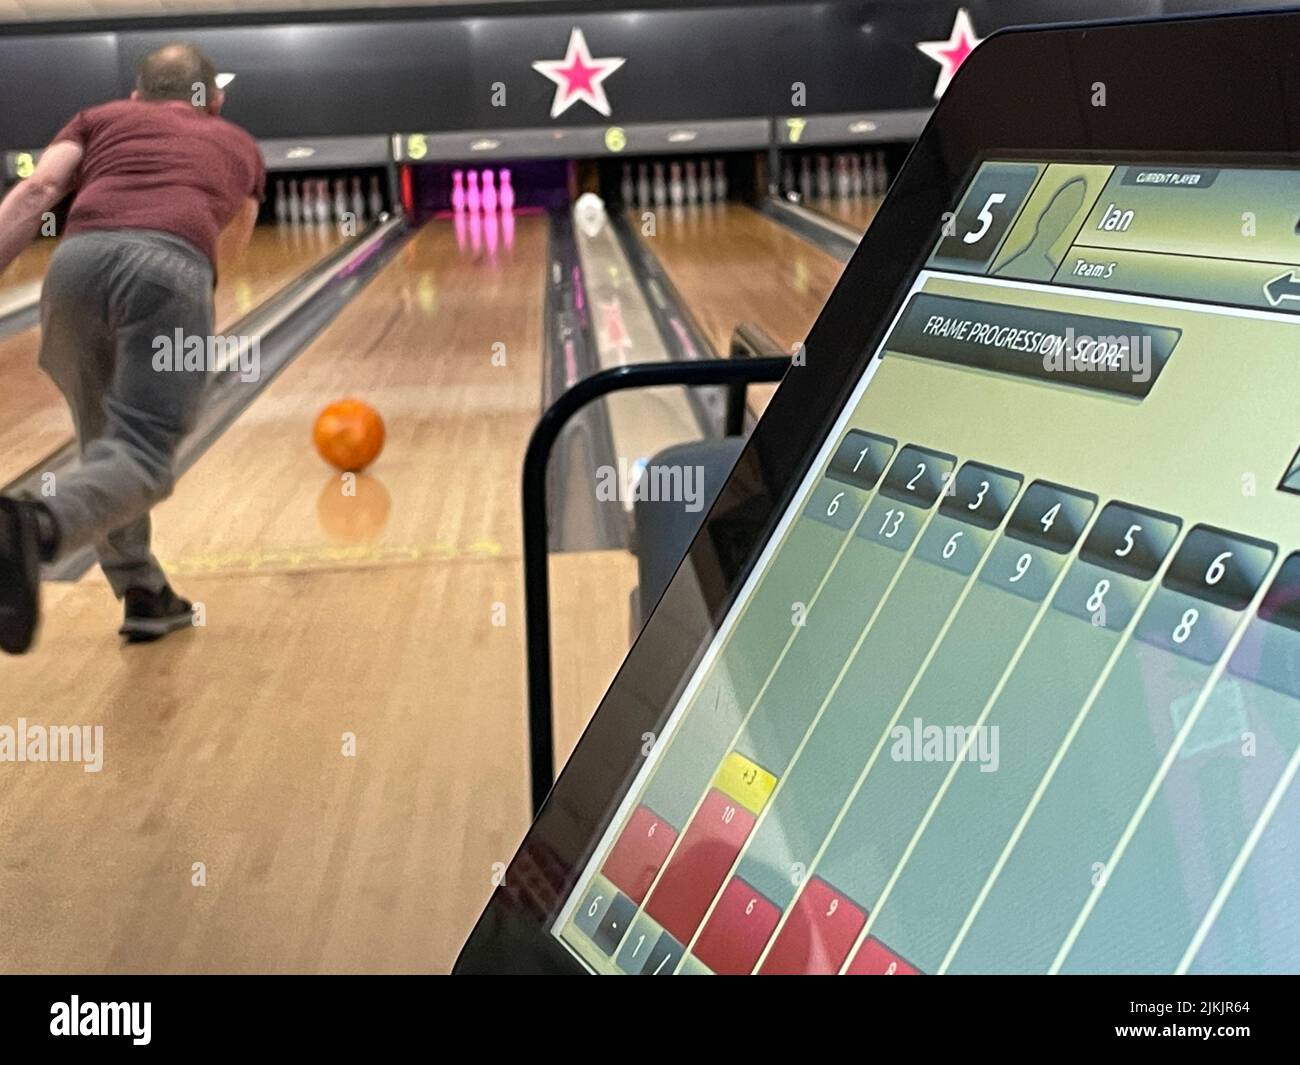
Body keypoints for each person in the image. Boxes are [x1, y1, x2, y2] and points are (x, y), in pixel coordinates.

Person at [0, 43, 264, 655]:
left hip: (73, 269)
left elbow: (39, 188)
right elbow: (228, 251)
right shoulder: (240, 146)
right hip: (170, 270)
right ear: (214, 101)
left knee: (103, 448)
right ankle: (37, 525)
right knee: (141, 454)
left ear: (136, 95)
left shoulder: (98, 118)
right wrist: (193, 338)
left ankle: (143, 595)